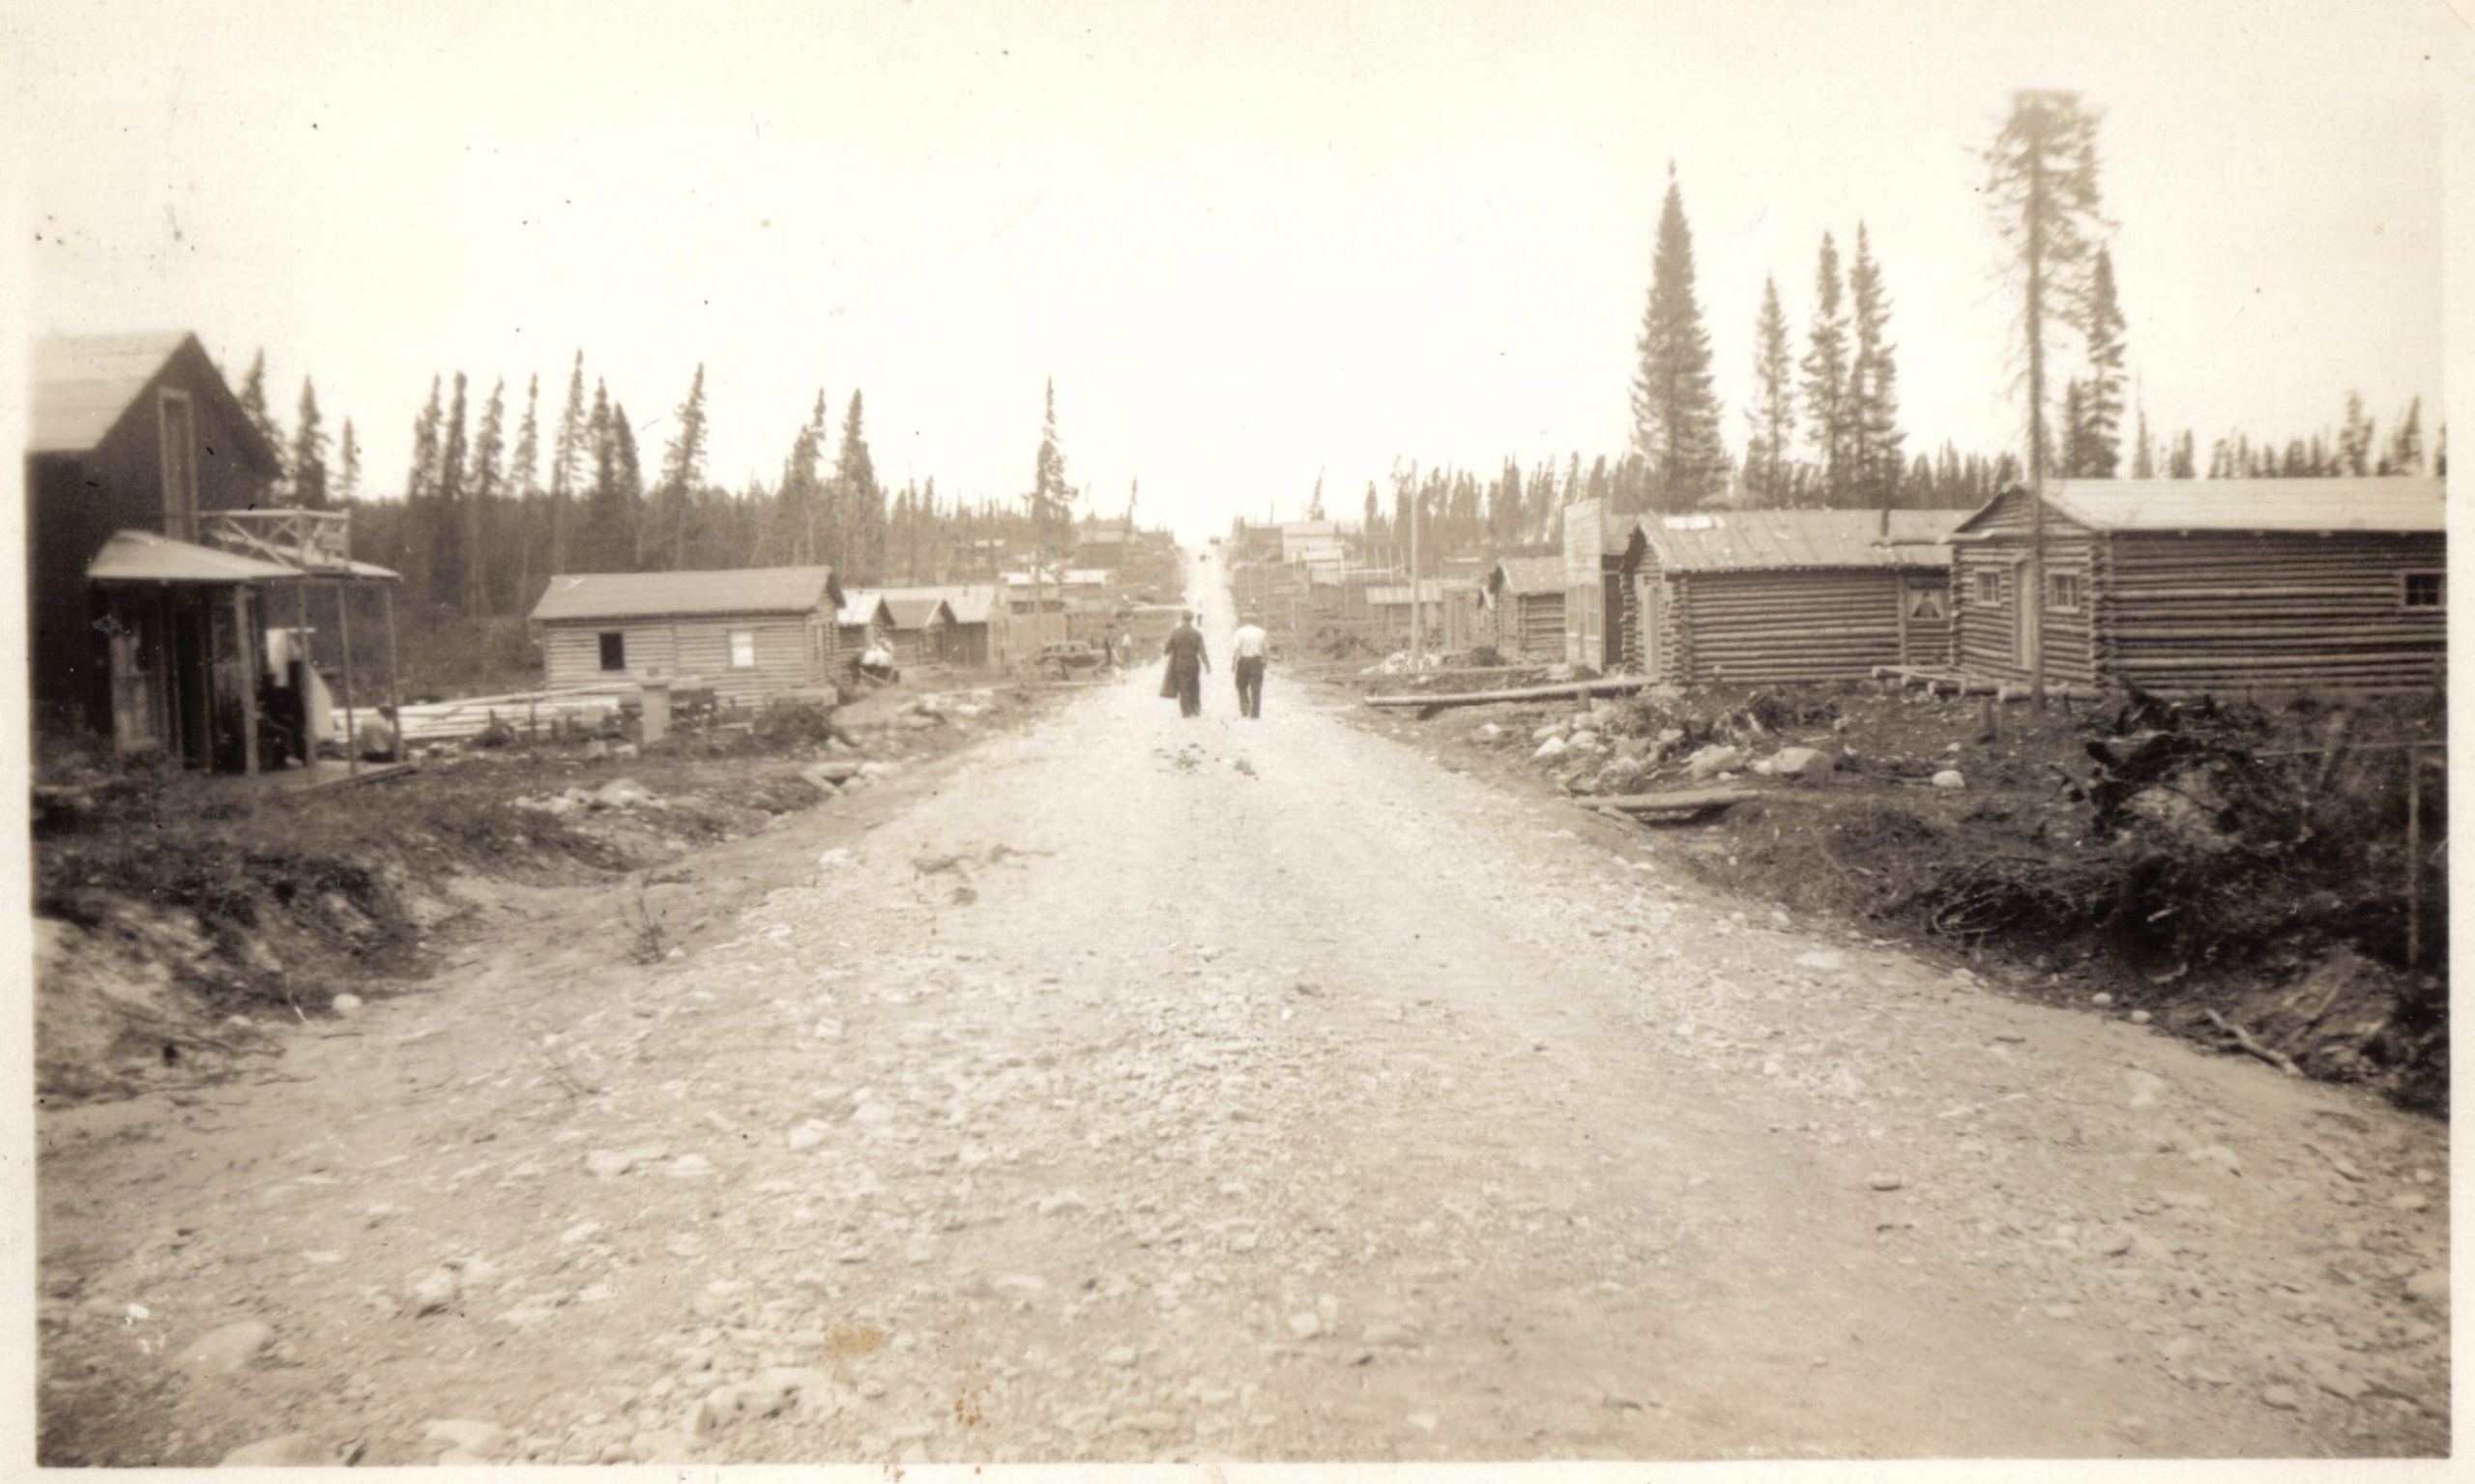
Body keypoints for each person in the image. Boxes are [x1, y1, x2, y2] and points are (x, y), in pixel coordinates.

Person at [1161, 610, 1209, 717]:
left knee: (1183, 687)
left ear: (1182, 619)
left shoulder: (1176, 632)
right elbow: (1202, 651)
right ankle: (1196, 708)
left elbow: (1167, 649)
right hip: (1193, 662)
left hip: (1180, 663)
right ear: (1191, 620)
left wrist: (1166, 650)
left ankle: (1186, 711)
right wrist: (1207, 664)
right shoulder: (1197, 634)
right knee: (1194, 685)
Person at [1231, 613, 1269, 718]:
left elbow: (1237, 649)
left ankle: (1244, 706)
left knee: (1241, 685)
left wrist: (1234, 663)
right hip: (1256, 661)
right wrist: (1265, 661)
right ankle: (1255, 713)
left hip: (1243, 660)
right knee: (1256, 688)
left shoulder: (1240, 632)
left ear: (1245, 621)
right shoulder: (1261, 632)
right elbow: (1266, 649)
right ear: (1255, 621)